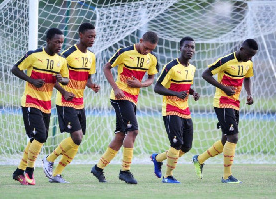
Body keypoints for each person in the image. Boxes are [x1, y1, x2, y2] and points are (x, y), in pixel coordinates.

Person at [91, 31, 159, 184]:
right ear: (141, 40)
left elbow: (151, 78)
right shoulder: (124, 52)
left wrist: (140, 84)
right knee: (133, 131)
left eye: (151, 49)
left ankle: (98, 168)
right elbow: (106, 68)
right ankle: (125, 171)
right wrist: (116, 88)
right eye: (146, 47)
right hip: (120, 97)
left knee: (121, 136)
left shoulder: (152, 59)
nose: (147, 51)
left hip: (133, 100)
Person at [192, 39, 258, 183]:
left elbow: (247, 78)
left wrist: (249, 94)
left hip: (235, 104)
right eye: (249, 54)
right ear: (241, 49)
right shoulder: (226, 60)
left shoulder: (249, 63)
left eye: (253, 55)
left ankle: (199, 159)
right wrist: (224, 88)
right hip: (222, 103)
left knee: (225, 140)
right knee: (233, 137)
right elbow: (205, 74)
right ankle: (227, 176)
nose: (250, 58)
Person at [42, 23, 100, 183]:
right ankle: (49, 159)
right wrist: (64, 91)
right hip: (65, 102)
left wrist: (92, 85)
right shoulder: (67, 55)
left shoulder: (92, 56)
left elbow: (88, 79)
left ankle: (56, 174)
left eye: (94, 36)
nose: (92, 39)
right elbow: (53, 77)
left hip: (80, 103)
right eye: (89, 36)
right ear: (80, 35)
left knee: (77, 141)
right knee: (77, 136)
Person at [11, 28, 69, 185]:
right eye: (57, 42)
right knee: (41, 136)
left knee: (35, 139)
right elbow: (15, 69)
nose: (59, 45)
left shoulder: (61, 60)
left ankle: (19, 172)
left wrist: (62, 82)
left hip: (46, 105)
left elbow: (65, 79)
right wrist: (31, 80)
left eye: (61, 42)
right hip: (30, 101)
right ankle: (29, 171)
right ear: (48, 41)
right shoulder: (34, 55)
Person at [150, 37, 200, 183]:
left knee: (186, 146)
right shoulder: (171, 66)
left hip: (185, 110)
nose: (190, 50)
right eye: (187, 47)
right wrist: (176, 94)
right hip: (171, 109)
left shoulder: (192, 68)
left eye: (192, 47)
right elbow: (157, 87)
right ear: (180, 48)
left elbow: (184, 86)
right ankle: (168, 176)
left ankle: (157, 158)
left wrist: (192, 92)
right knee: (176, 144)